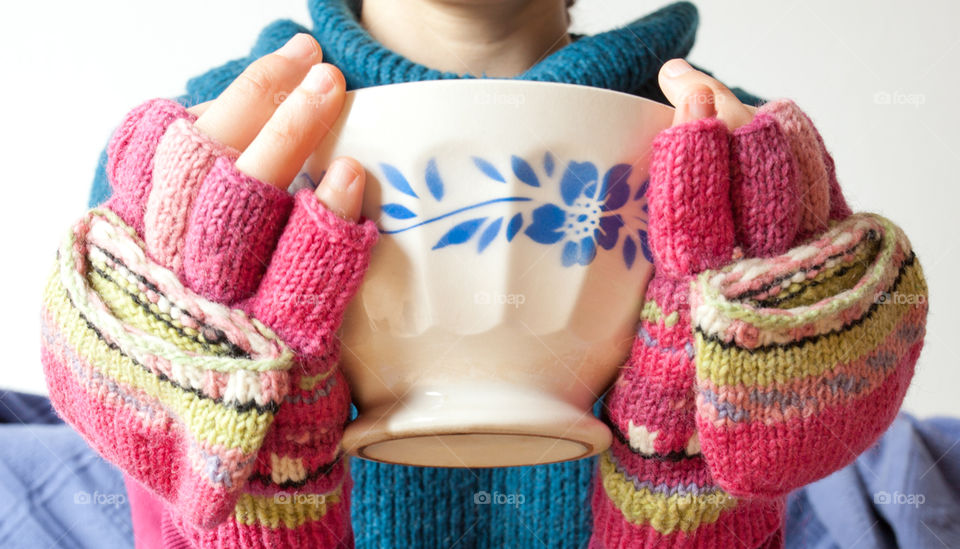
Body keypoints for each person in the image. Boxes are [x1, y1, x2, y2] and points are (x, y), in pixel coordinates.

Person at [38, 1, 929, 548]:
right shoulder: (205, 161)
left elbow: (773, 455)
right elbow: (171, 504)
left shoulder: (738, 153)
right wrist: (251, 496)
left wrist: (696, 485)